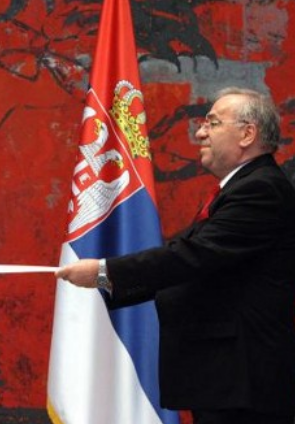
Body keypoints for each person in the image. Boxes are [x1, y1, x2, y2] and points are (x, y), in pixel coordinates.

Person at [56, 87, 295, 424]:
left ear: (247, 134)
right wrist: (106, 280)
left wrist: (104, 272)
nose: (200, 133)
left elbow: (193, 256)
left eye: (212, 123)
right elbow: (189, 256)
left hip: (243, 382)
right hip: (225, 380)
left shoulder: (260, 189)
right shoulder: (242, 187)